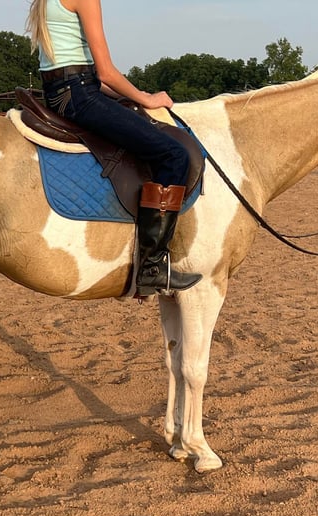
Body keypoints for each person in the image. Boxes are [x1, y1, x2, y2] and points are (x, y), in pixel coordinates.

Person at [27, 0, 202, 296]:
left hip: (63, 93)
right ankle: (152, 265)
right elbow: (105, 72)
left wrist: (136, 93)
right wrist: (147, 99)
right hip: (81, 96)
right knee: (173, 155)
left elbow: (84, 74)